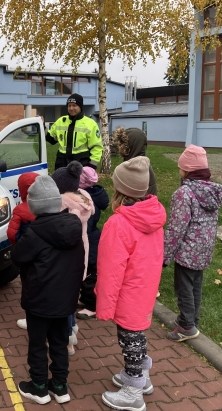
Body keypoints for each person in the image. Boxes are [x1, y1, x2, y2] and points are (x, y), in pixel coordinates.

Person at [96, 157, 166, 411]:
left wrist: (104, 305)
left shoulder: (118, 224)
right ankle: (140, 377)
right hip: (145, 289)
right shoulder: (154, 216)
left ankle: (133, 391)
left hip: (128, 292)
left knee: (130, 339)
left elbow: (110, 271)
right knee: (136, 334)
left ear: (119, 189)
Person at [12, 175, 85, 405]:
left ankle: (39, 386)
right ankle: (60, 386)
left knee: (37, 343)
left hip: (39, 301)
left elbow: (17, 257)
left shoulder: (34, 234)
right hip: (66, 300)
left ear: (35, 206)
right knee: (59, 343)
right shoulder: (74, 228)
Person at [163, 145, 222, 342]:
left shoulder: (184, 193)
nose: (178, 169)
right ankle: (190, 319)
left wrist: (165, 255)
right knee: (195, 285)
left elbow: (176, 228)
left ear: (188, 170)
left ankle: (187, 327)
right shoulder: (211, 191)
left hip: (187, 250)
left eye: (180, 166)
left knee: (184, 288)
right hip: (204, 248)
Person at [51, 161, 93, 356]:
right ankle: (73, 327)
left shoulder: (63, 205)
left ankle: (67, 340)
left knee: (63, 300)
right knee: (72, 295)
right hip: (80, 254)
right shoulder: (84, 201)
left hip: (65, 259)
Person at [76, 166, 109, 321]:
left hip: (89, 243)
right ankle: (84, 298)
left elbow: (84, 229)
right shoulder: (95, 195)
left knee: (89, 275)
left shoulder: (86, 203)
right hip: (94, 239)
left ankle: (92, 305)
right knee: (87, 272)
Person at [8, 172, 40, 331]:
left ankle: (31, 319)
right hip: (45, 256)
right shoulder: (45, 207)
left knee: (28, 288)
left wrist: (18, 246)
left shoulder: (20, 209)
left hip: (27, 257)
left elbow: (12, 233)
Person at [46, 93, 103, 170]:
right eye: (69, 105)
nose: (71, 108)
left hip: (81, 164)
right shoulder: (61, 121)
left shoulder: (91, 124)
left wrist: (91, 166)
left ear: (80, 107)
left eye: (74, 105)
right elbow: (50, 139)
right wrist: (41, 125)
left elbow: (97, 147)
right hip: (62, 164)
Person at [112, 126, 158, 196]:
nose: (119, 146)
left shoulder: (128, 169)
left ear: (130, 145)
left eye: (122, 143)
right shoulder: (146, 165)